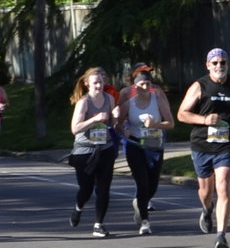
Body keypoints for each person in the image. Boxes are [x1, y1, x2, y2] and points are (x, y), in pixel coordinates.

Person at [179, 47, 230, 248]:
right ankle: (206, 208)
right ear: (208, 65)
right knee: (205, 190)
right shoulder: (199, 86)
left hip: (226, 145)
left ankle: (221, 235)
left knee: (223, 187)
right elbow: (182, 114)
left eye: (223, 62)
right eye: (215, 63)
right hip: (201, 145)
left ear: (228, 64)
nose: (220, 66)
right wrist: (204, 120)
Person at [69, 67, 120, 236]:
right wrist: (94, 119)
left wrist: (116, 116)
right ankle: (78, 207)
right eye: (95, 83)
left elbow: (112, 125)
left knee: (104, 188)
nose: (99, 86)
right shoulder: (84, 102)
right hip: (84, 151)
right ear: (87, 84)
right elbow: (75, 129)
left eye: (101, 82)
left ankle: (99, 224)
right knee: (86, 188)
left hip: (104, 148)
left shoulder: (110, 99)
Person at [122, 63, 172, 235]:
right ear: (136, 86)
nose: (145, 87)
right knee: (142, 183)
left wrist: (156, 124)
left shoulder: (157, 99)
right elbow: (118, 122)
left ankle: (139, 202)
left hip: (153, 144)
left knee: (153, 185)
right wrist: (124, 130)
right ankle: (144, 221)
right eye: (142, 84)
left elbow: (171, 123)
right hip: (135, 145)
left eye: (148, 84)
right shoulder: (129, 103)